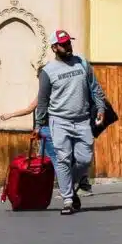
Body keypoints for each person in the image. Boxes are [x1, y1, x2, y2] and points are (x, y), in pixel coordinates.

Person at [35, 30, 106, 216]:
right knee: (63, 159)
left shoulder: (82, 63)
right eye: (63, 44)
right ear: (54, 47)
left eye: (68, 43)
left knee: (84, 159)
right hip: (59, 121)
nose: (68, 47)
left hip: (82, 120)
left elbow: (95, 87)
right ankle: (67, 199)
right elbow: (42, 101)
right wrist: (38, 125)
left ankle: (70, 185)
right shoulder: (48, 72)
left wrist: (101, 108)